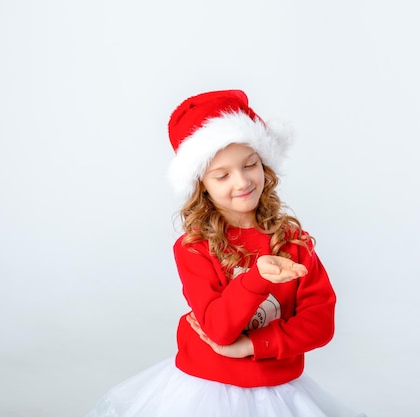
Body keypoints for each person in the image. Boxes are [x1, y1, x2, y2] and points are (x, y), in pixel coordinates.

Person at [86, 90, 366, 417]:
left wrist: (253, 345)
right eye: (222, 175)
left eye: (251, 165)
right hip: (207, 389)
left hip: (277, 389)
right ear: (201, 183)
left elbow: (320, 322)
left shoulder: (293, 241)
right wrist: (257, 278)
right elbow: (218, 329)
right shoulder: (194, 247)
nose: (243, 181)